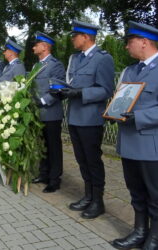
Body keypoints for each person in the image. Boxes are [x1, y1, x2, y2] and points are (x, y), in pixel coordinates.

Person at [111, 21, 158, 250]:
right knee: (135, 191)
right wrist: (112, 111)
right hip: (128, 141)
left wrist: (138, 117)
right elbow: (121, 99)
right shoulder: (130, 70)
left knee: (155, 194)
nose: (127, 47)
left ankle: (155, 238)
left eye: (129, 42)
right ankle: (139, 231)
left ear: (144, 42)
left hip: (150, 143)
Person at [61, 20, 115, 219]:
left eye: (75, 36)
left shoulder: (102, 59)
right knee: (81, 160)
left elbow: (106, 90)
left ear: (86, 37)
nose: (73, 39)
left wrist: (81, 93)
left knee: (92, 161)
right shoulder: (75, 58)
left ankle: (98, 201)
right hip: (75, 117)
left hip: (91, 119)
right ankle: (88, 195)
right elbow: (71, 83)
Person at [31, 31, 66, 193]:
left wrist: (43, 100)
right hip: (38, 113)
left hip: (51, 113)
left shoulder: (55, 65)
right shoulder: (36, 66)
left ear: (44, 47)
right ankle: (44, 173)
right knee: (42, 145)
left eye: (36, 45)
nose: (33, 47)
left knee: (53, 147)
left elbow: (58, 87)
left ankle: (54, 179)